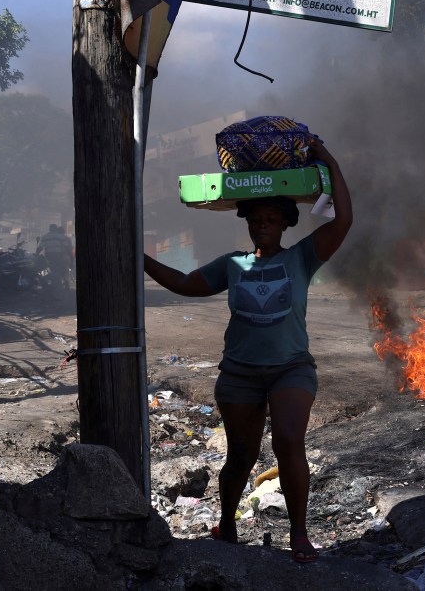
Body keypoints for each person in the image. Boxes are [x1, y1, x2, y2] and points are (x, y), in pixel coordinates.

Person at [143, 138, 352, 563]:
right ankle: (229, 522)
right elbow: (185, 284)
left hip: (291, 368)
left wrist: (328, 158)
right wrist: (139, 258)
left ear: (285, 224)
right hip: (239, 373)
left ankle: (298, 533)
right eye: (256, 219)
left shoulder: (302, 259)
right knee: (240, 456)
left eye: (271, 219)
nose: (263, 225)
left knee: (290, 441)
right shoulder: (231, 265)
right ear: (248, 224)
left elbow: (343, 220)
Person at [37, 224, 74, 290]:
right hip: (58, 255)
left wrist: (37, 255)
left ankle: (41, 278)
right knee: (59, 269)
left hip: (49, 256)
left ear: (49, 229)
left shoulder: (45, 237)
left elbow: (40, 247)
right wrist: (71, 257)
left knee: (48, 268)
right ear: (56, 229)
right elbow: (66, 246)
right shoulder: (60, 237)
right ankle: (60, 284)